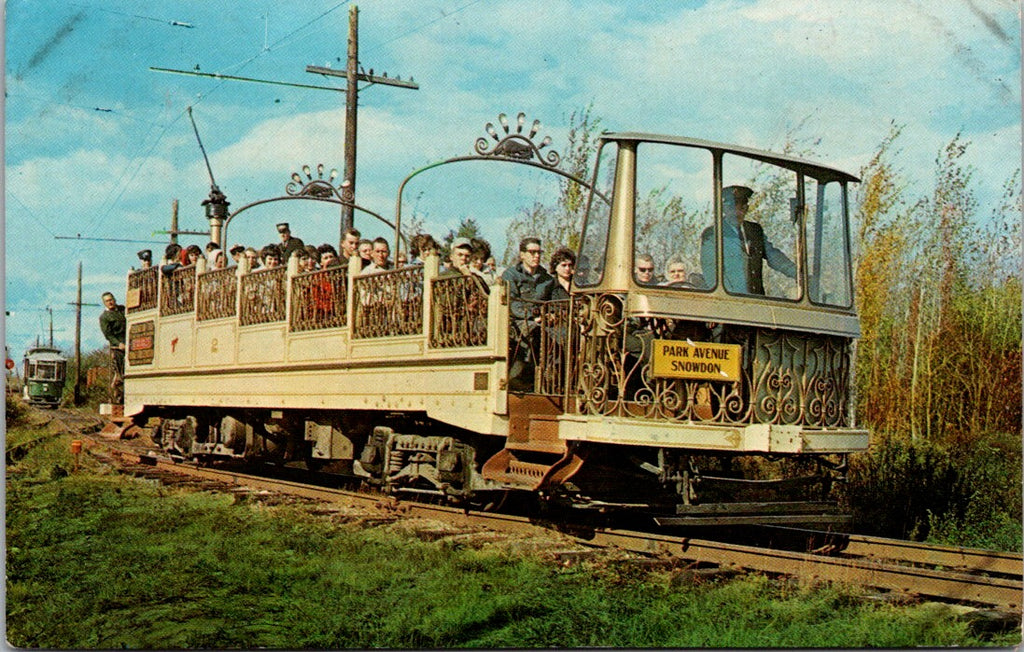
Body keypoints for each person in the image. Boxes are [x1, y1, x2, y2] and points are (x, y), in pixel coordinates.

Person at [700, 185, 796, 295]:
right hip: (729, 304)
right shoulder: (712, 235)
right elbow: (712, 274)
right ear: (724, 209)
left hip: (757, 302)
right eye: (732, 207)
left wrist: (798, 274)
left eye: (742, 207)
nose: (737, 212)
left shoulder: (755, 231)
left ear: (747, 208)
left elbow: (774, 257)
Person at [501, 237, 553, 391]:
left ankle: (550, 381)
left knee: (561, 336)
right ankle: (516, 377)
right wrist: (533, 317)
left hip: (543, 321)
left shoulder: (547, 279)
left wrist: (551, 315)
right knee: (531, 330)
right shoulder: (510, 275)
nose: (536, 256)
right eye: (532, 252)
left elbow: (554, 300)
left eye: (538, 252)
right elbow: (513, 305)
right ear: (522, 254)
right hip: (517, 320)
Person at [99, 292, 126, 403]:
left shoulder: (122, 310)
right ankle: (117, 394)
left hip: (129, 340)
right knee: (121, 372)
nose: (110, 302)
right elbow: (108, 334)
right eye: (107, 301)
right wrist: (118, 343)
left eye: (111, 300)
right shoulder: (104, 317)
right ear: (104, 303)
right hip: (118, 347)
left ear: (114, 299)